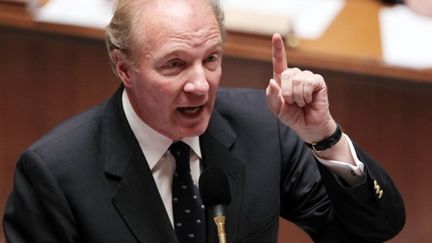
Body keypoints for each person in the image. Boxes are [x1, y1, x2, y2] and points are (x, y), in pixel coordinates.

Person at [3, 0, 405, 242]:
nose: (200, 85)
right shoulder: (55, 174)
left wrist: (323, 136)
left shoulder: (263, 129)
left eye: (211, 59)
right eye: (175, 65)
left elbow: (374, 229)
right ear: (123, 67)